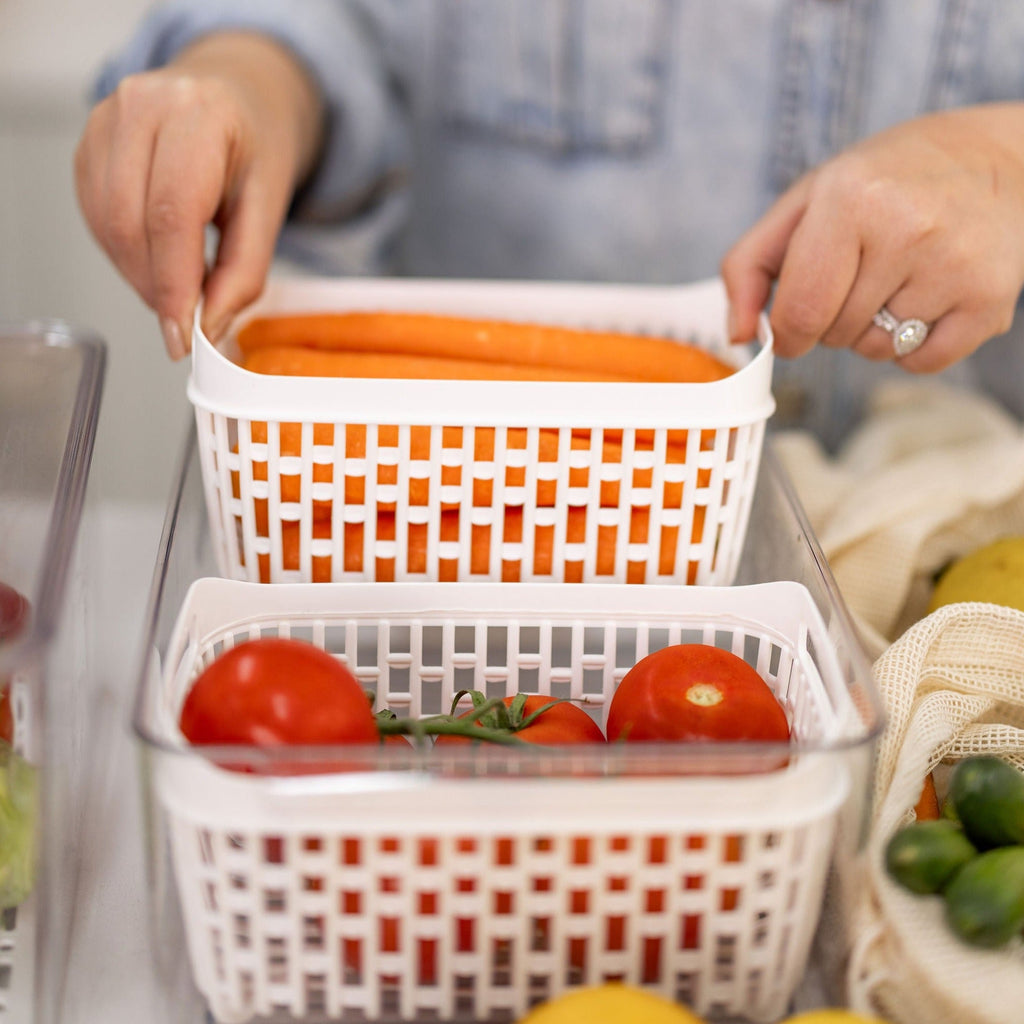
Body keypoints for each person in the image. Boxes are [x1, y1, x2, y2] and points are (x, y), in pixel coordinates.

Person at [74, 0, 1024, 445]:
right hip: (440, 520)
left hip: (964, 560)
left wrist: (1006, 160)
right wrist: (249, 79)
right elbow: (329, 19)